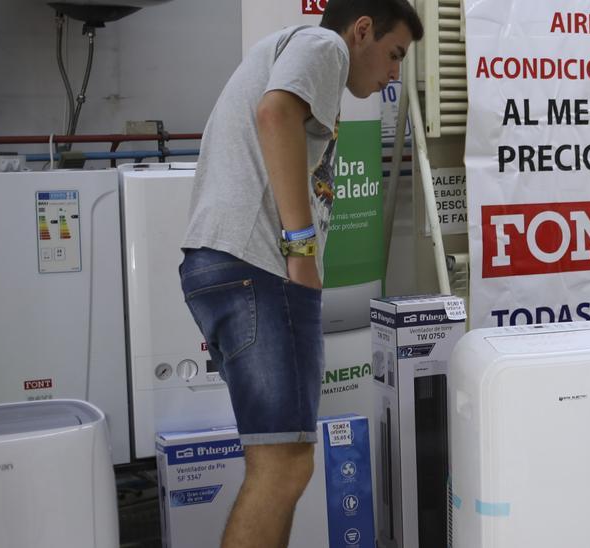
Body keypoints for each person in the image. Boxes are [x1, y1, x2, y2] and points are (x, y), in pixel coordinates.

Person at [178, 2, 422, 546]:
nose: (394, 74)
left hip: (228, 264)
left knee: (279, 462)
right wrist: (301, 249)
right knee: (285, 467)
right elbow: (275, 114)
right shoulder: (325, 46)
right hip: (256, 268)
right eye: (394, 54)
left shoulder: (288, 51)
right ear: (362, 30)